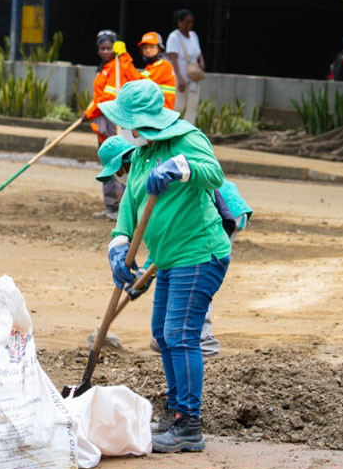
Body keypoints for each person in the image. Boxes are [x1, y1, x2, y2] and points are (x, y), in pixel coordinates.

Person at [103, 79, 231, 454]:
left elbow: (214, 173)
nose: (122, 128)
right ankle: (175, 413)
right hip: (169, 258)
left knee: (180, 333)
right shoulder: (141, 156)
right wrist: (118, 250)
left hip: (200, 252)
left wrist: (180, 167)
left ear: (142, 122)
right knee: (163, 332)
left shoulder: (186, 139)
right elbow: (127, 215)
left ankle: (188, 425)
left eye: (125, 121)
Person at [93, 135, 246, 358]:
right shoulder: (141, 177)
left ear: (125, 162)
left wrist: (146, 272)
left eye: (117, 172)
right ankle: (176, 334)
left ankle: (202, 339)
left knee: (197, 274)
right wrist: (145, 274)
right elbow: (164, 238)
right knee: (180, 269)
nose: (119, 178)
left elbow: (173, 235)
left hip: (224, 212)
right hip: (193, 223)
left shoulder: (155, 172)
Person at [85, 30, 141, 220]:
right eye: (102, 48)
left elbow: (132, 78)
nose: (105, 51)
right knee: (107, 160)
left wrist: (123, 55)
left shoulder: (119, 65)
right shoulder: (103, 69)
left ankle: (124, 208)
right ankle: (111, 206)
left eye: (109, 48)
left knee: (119, 161)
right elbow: (98, 97)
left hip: (114, 119)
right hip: (103, 119)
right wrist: (89, 112)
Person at [167, 10, 206, 121]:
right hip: (180, 77)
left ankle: (189, 128)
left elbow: (198, 52)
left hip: (193, 76)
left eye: (191, 22)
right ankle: (172, 128)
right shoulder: (174, 37)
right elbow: (173, 59)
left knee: (192, 106)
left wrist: (202, 62)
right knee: (178, 106)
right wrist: (180, 78)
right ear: (180, 23)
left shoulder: (194, 35)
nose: (190, 25)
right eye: (187, 22)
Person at [137, 32, 177, 109]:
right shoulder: (151, 66)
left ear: (159, 48)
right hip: (156, 109)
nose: (148, 50)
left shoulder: (164, 65)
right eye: (145, 47)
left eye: (152, 47)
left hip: (162, 111)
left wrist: (124, 59)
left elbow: (141, 82)